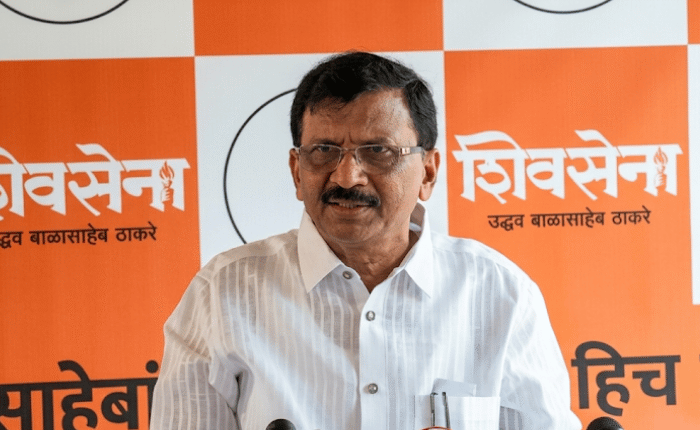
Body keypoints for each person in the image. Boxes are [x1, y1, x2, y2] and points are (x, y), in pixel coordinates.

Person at [150, 51, 582, 430]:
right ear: (297, 171)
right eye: (324, 151)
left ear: (428, 172)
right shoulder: (222, 294)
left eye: (378, 151)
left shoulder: (501, 294)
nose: (346, 177)